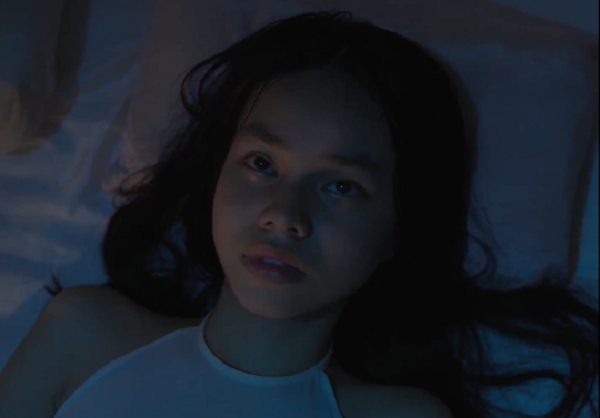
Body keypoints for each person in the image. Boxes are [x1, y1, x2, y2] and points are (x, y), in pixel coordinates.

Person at [27, 10, 600, 417]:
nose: (284, 216)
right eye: (261, 164)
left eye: (341, 187)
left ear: (397, 230)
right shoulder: (82, 333)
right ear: (215, 175)